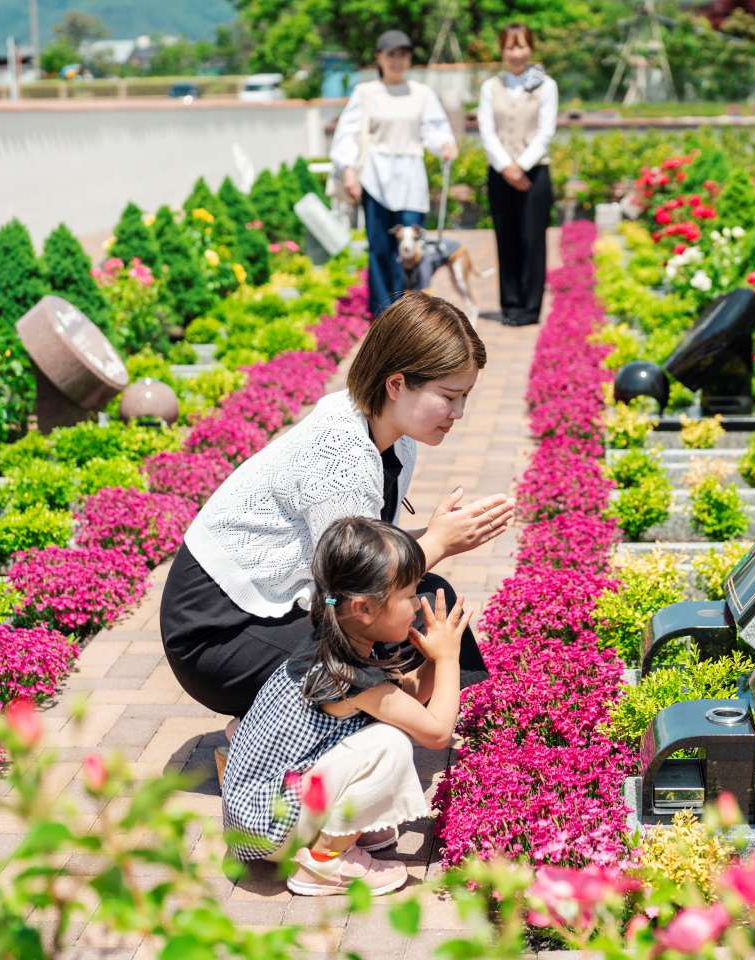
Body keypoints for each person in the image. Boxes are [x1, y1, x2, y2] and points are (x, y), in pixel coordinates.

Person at [159, 292, 510, 768]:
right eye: (449, 396)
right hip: (219, 631)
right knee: (359, 650)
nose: (458, 412)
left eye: (465, 396)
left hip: (284, 605)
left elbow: (370, 555)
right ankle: (262, 743)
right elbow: (351, 590)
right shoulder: (339, 458)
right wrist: (438, 541)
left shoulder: (395, 440)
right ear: (397, 384)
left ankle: (446, 721)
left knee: (429, 601)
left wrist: (437, 540)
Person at [222, 516, 470, 895]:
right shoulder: (346, 675)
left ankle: (344, 831)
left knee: (384, 732)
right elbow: (436, 732)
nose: (417, 603)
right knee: (390, 744)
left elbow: (405, 700)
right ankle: (324, 863)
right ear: (364, 610)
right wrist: (451, 659)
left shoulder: (332, 645)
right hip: (271, 828)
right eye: (408, 595)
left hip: (260, 816)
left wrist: (434, 660)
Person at [331, 30, 458, 319]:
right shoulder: (365, 93)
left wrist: (445, 145)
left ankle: (410, 310)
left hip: (411, 176)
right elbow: (347, 134)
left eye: (403, 54)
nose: (397, 61)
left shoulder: (422, 93)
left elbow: (434, 130)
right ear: (379, 57)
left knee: (412, 247)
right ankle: (382, 312)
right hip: (376, 177)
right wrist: (349, 171)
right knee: (379, 246)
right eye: (391, 54)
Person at [476, 23, 557, 327]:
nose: (516, 53)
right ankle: (509, 304)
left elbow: (546, 131)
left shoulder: (546, 85)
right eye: (510, 47)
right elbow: (486, 130)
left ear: (531, 48)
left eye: (521, 46)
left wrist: (521, 165)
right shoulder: (490, 87)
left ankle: (530, 307)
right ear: (502, 50)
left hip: (535, 173)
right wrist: (506, 167)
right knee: (505, 238)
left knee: (532, 240)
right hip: (500, 173)